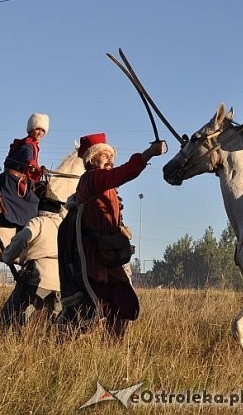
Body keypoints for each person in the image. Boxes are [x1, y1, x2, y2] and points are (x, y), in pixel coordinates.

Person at [69, 133, 166, 340]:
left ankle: (112, 349)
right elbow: (123, 173)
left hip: (107, 254)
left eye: (110, 155)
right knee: (95, 305)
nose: (110, 159)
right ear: (91, 159)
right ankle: (66, 342)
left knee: (121, 301)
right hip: (95, 257)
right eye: (104, 155)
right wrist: (148, 153)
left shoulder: (104, 184)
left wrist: (119, 227)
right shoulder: (92, 178)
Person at [0, 194, 65, 329]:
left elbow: (22, 239)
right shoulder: (64, 226)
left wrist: (8, 256)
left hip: (38, 277)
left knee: (10, 316)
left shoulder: (38, 222)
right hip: (61, 281)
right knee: (55, 324)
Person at [0, 113, 49, 227]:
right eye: (37, 129)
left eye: (42, 130)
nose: (39, 133)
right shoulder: (29, 145)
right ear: (31, 129)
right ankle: (23, 232)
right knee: (34, 203)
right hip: (14, 181)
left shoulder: (23, 143)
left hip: (9, 178)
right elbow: (29, 162)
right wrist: (37, 170)